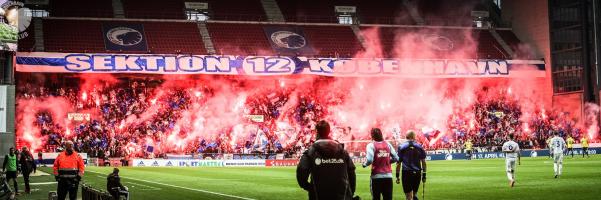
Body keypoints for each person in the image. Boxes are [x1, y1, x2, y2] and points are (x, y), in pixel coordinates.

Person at [296, 120, 357, 200]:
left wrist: (310, 188)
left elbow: (301, 172)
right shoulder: (342, 151)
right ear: (329, 131)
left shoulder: (310, 152)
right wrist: (350, 192)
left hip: (318, 195)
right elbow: (351, 173)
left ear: (316, 132)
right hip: (342, 196)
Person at [362, 128, 398, 200]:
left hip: (376, 177)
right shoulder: (388, 144)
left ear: (372, 135)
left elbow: (369, 159)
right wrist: (387, 161)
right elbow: (396, 158)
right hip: (388, 177)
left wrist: (364, 164)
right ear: (381, 134)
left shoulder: (371, 145)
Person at [395, 131, 427, 200]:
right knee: (414, 195)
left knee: (408, 196)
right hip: (417, 173)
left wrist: (397, 176)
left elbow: (398, 163)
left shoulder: (401, 146)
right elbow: (423, 162)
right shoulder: (419, 146)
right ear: (414, 137)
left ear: (406, 137)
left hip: (407, 173)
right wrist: (424, 175)